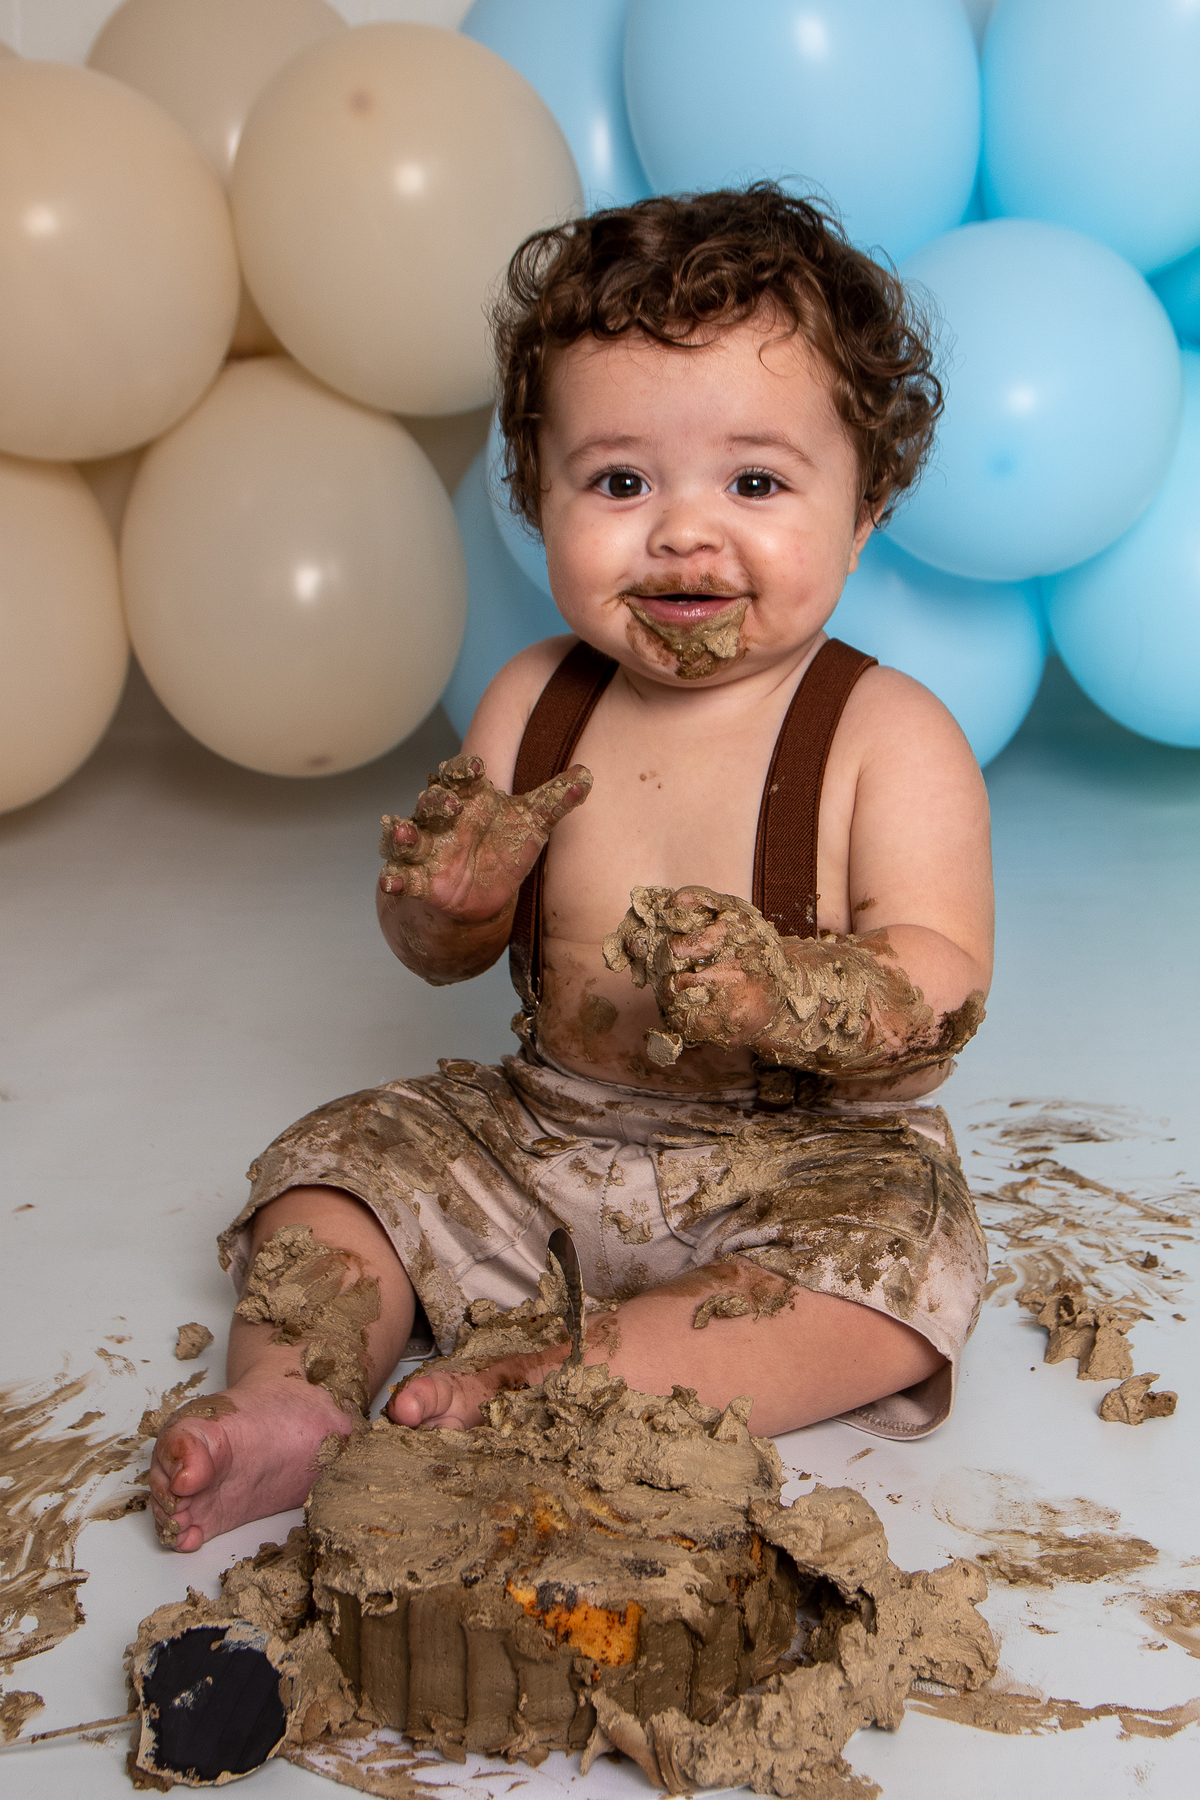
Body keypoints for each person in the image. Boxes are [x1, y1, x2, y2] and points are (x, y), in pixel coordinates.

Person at [150, 186, 992, 1553]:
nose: (681, 531)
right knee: (346, 1162)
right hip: (550, 1134)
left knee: (901, 1261)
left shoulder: (885, 737)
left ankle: (580, 1383)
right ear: (537, 498)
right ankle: (291, 1399)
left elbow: (941, 994)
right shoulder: (534, 700)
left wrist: (793, 996)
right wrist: (444, 908)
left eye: (757, 482)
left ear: (868, 503)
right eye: (618, 482)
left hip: (795, 1162)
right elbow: (446, 952)